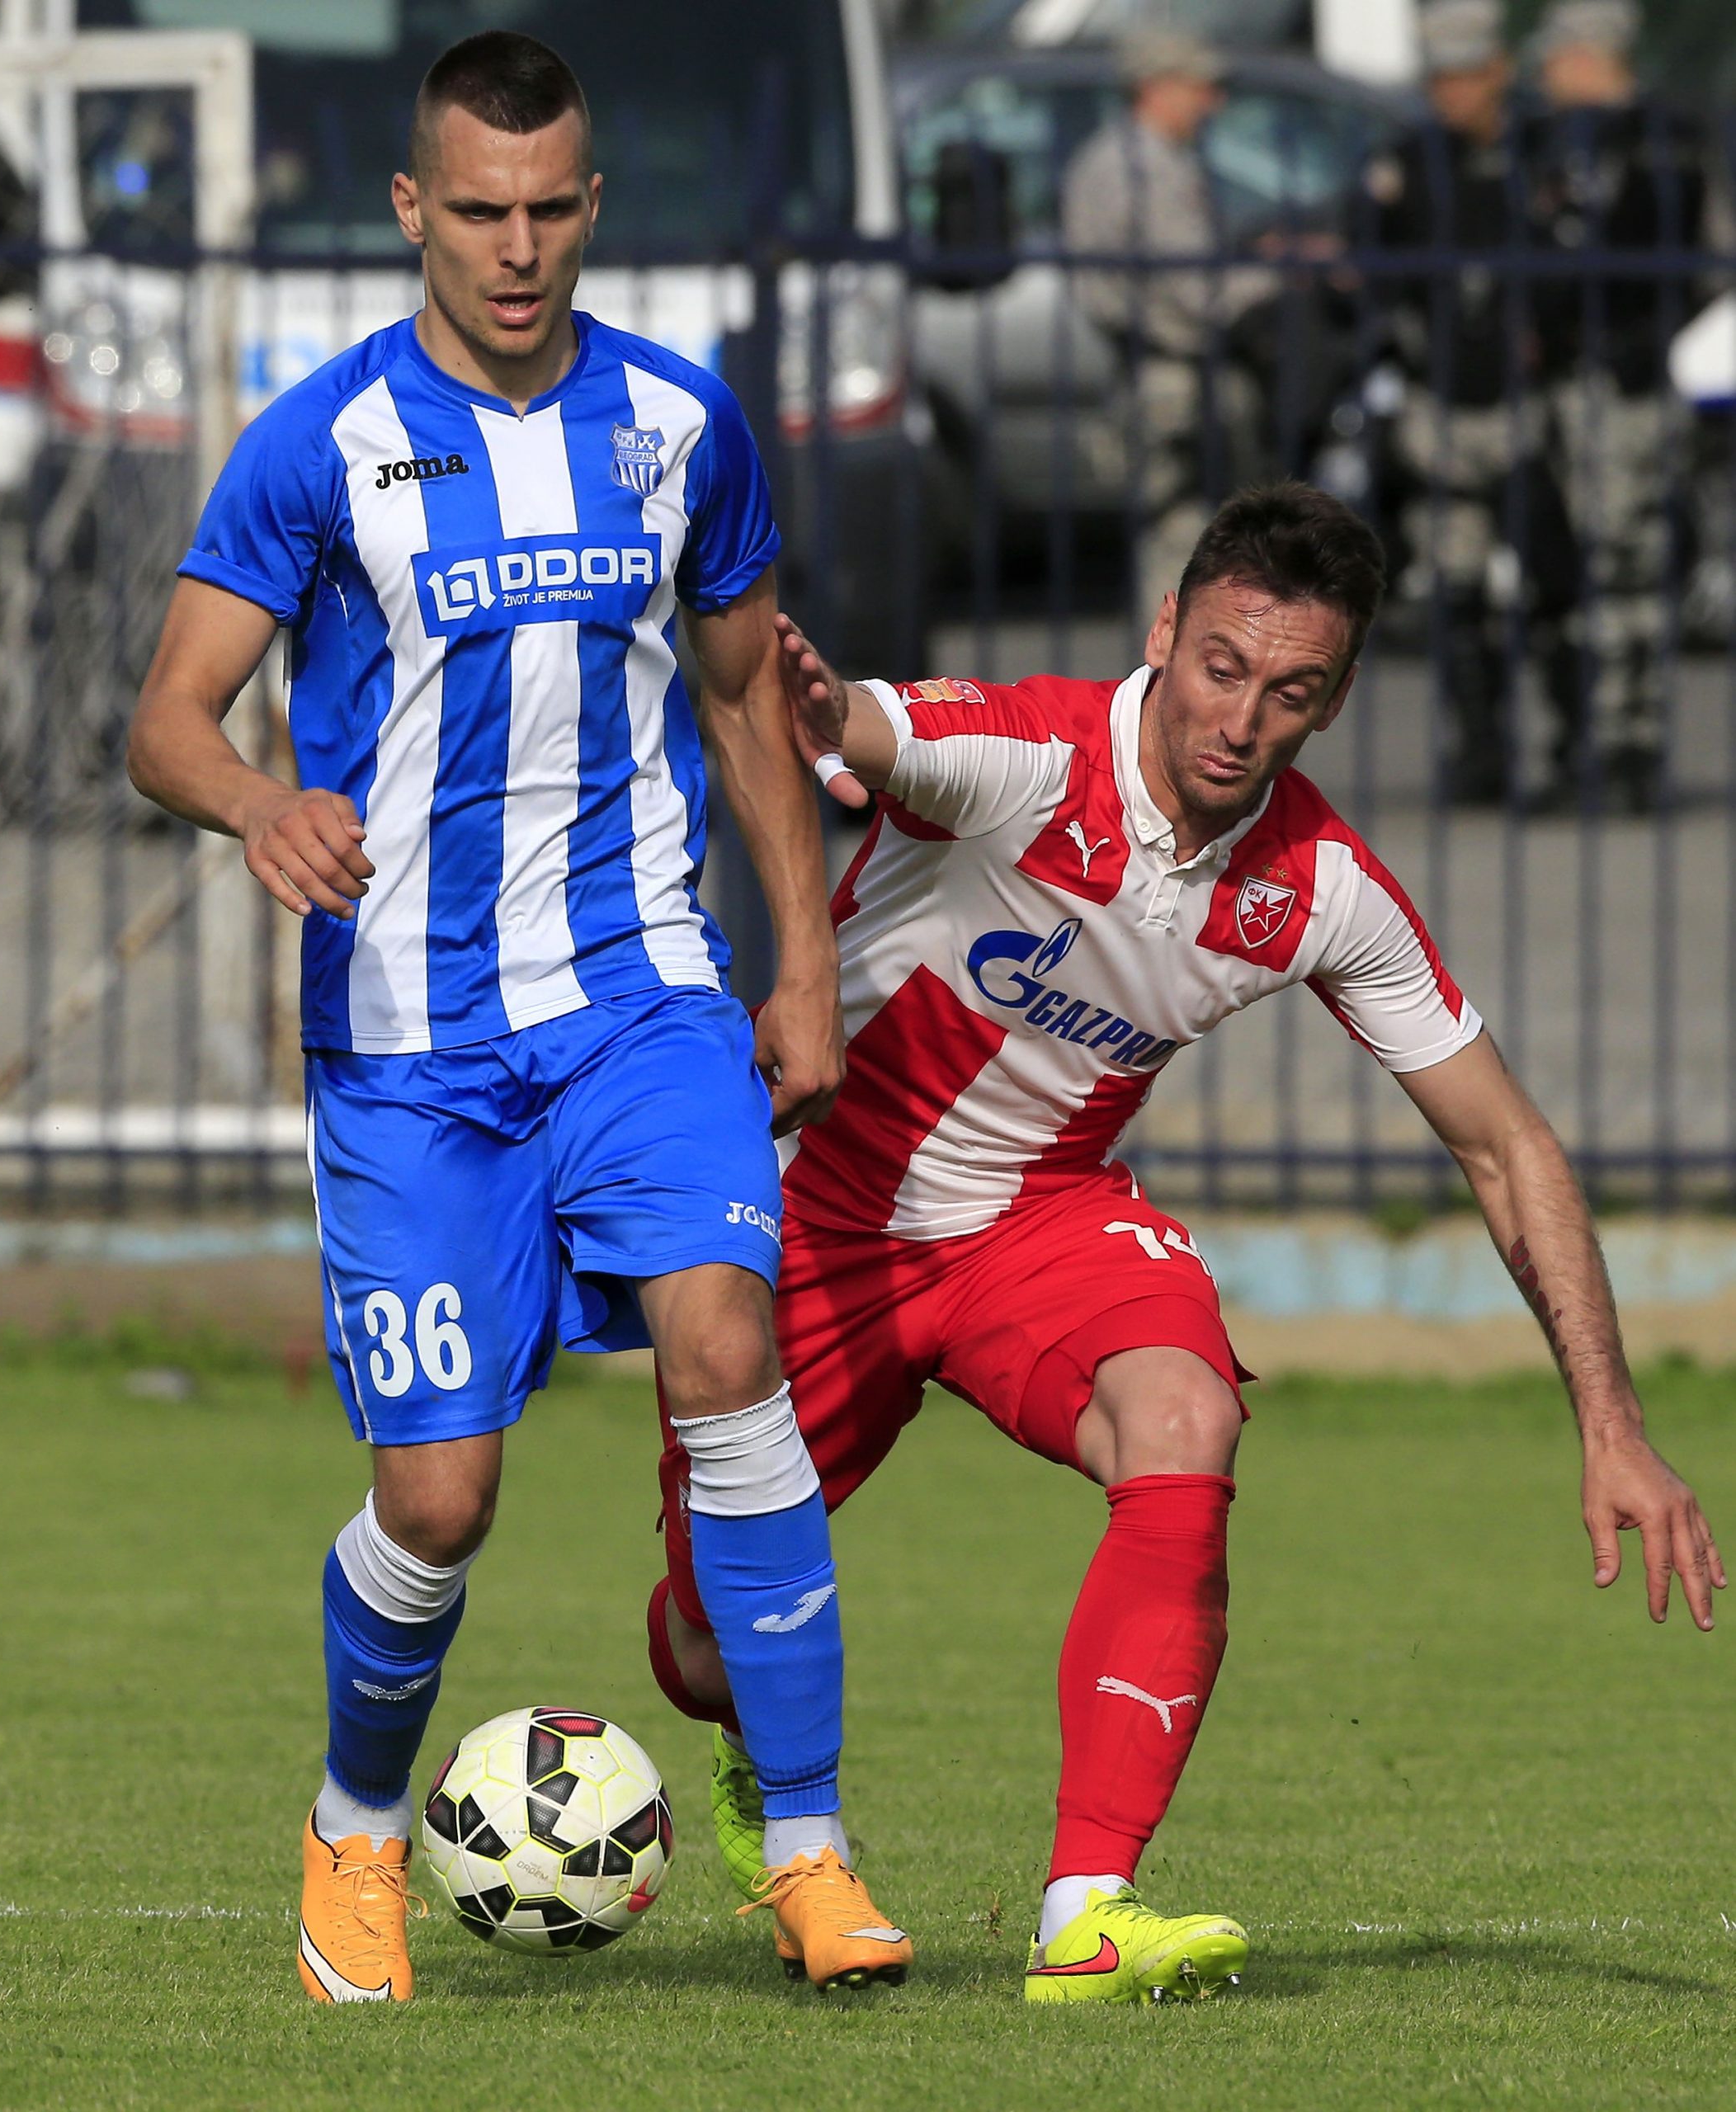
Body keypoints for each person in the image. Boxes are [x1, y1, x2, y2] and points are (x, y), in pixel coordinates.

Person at [645, 482, 1723, 2005]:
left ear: (1336, 700)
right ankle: (753, 1752)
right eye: (1222, 666)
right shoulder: (1024, 753)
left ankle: (1087, 1914)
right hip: (822, 1220)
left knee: (1184, 1417)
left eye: (1291, 692)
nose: (1241, 720)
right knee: (699, 1640)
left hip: (1042, 1219)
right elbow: (860, 727)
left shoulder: (1318, 889)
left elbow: (1504, 1144)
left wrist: (1612, 1425)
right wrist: (830, 709)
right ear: (1166, 631)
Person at [125, 31, 911, 2003]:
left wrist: (802, 961)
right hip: (406, 1040)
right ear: (413, 209)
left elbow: (745, 698)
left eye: (552, 206)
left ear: (589, 203)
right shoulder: (315, 440)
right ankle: (355, 1823)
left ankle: (808, 1847)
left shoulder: (675, 422)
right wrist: (256, 800)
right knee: (440, 1492)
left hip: (636, 994)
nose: (518, 247)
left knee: (727, 1348)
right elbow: (163, 718)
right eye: (478, 210)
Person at [1363, 0, 1558, 804]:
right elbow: (1375, 270)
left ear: (1497, 75)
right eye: (1438, 79)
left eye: (1465, 77)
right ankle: (1478, 750)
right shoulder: (1409, 163)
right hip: (1438, 402)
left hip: (1531, 404)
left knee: (1556, 578)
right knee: (1454, 582)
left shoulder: (1541, 155)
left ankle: (1580, 743)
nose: (1451, 94)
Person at [1528, 0, 1712, 811]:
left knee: (1619, 568)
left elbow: (1675, 260)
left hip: (1625, 384)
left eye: (1558, 60)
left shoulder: (1652, 142)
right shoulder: (1567, 143)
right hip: (1580, 382)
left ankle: (1619, 746)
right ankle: (1615, 742)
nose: (1546, 76)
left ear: (1590, 58)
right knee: (1608, 568)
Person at [1061, 26, 1277, 608]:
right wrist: (1276, 276)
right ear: (1156, 87)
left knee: (1183, 545)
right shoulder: (1142, 166)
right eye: (1199, 87)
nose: (1212, 103)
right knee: (1183, 549)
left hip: (1158, 369)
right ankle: (1166, 690)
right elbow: (1193, 287)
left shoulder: (1119, 157)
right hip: (1171, 374)